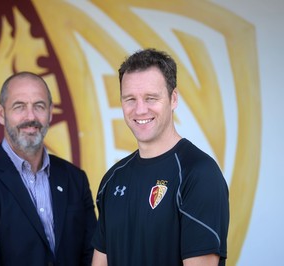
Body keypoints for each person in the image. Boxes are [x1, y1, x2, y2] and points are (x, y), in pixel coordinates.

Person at [91, 48, 229, 266]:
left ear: (173, 99)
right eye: (130, 99)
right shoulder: (113, 180)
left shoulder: (199, 174)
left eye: (151, 98)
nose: (140, 109)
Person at [0, 71, 97, 266]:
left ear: (50, 112)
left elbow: (92, 257)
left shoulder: (75, 179)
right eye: (19, 106)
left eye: (39, 106)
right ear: (1, 113)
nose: (31, 116)